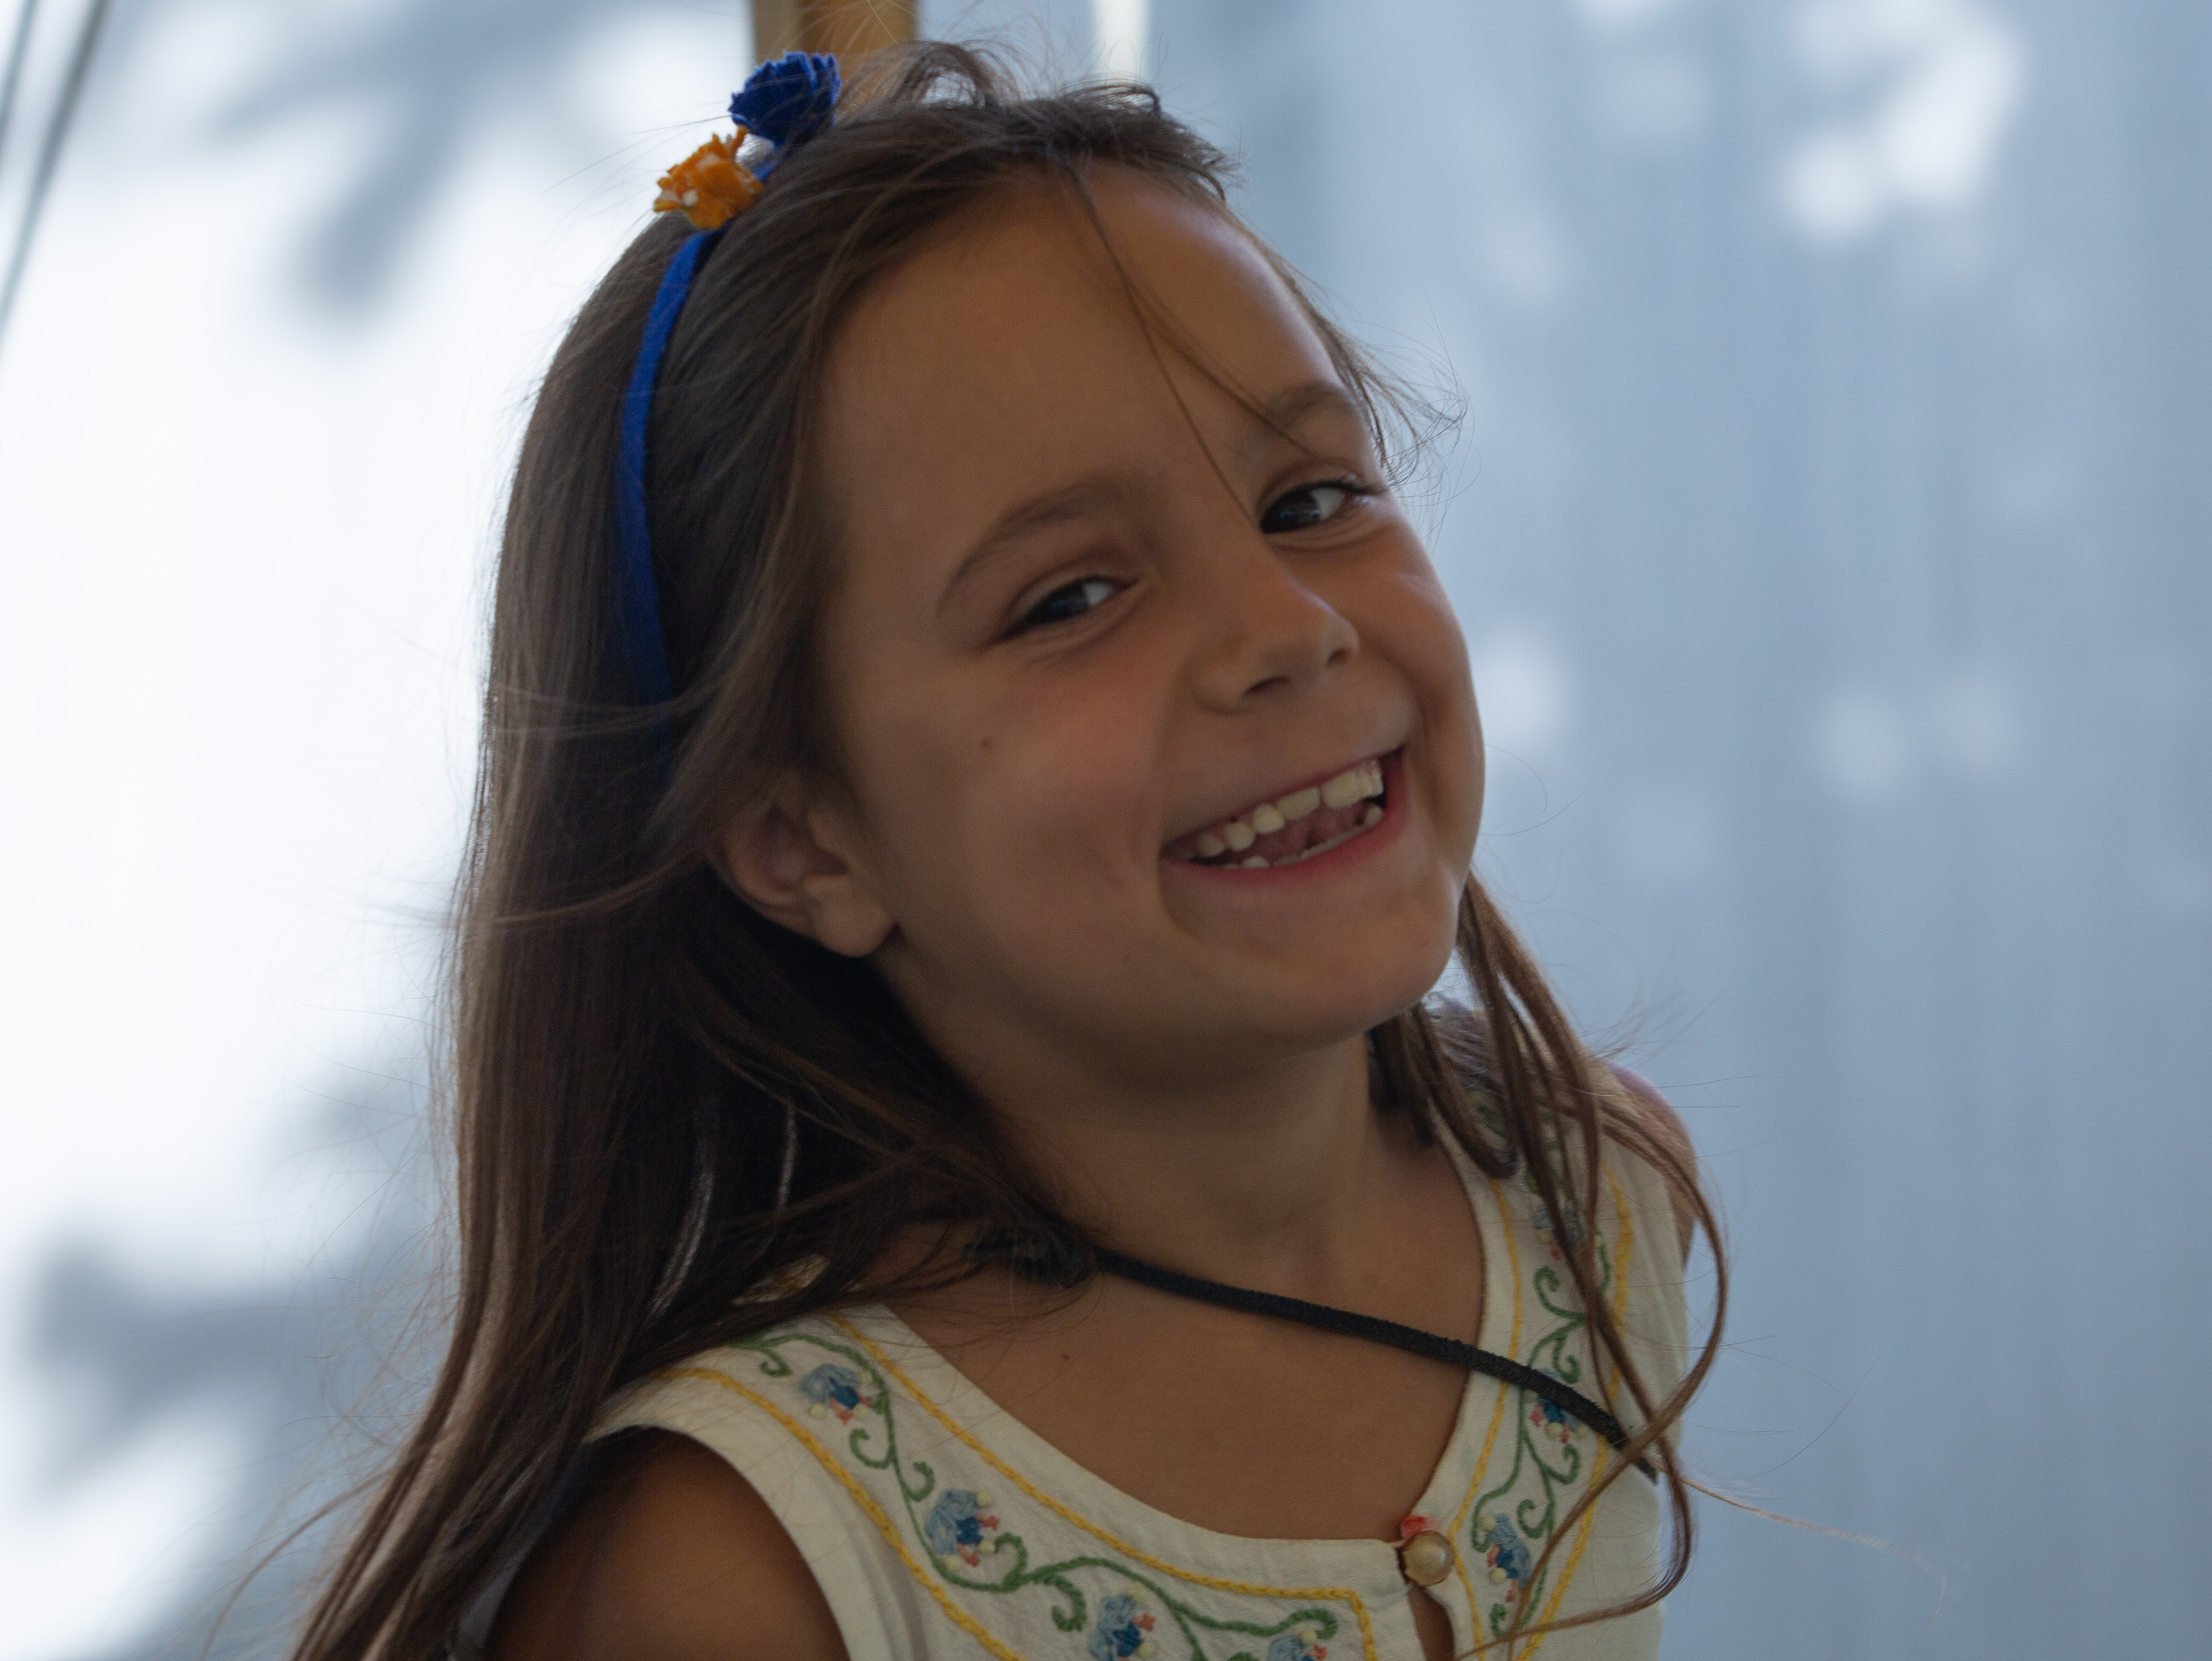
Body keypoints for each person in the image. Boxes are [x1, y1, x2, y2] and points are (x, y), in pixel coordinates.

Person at [289, 41, 1721, 1661]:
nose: (1288, 626)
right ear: (803, 839)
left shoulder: (1600, 1199)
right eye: (1072, 597)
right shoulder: (732, 1571)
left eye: (1312, 499)